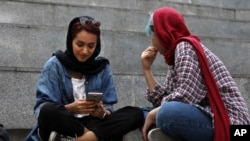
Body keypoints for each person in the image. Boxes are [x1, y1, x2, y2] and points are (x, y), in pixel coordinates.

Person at [24, 15, 144, 141]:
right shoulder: (54, 64)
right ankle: (93, 137)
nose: (85, 51)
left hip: (93, 122)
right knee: (48, 110)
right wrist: (71, 108)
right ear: (71, 41)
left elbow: (108, 107)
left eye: (91, 46)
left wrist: (102, 113)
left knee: (135, 113)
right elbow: (41, 109)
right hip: (64, 123)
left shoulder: (102, 67)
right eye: (80, 44)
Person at [140, 7, 250, 141]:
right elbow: (163, 99)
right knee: (145, 113)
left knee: (166, 113)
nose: (152, 40)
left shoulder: (184, 47)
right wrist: (147, 69)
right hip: (208, 115)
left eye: (153, 34)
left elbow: (186, 96)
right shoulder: (174, 56)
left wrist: (154, 114)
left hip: (234, 124)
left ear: (163, 33)